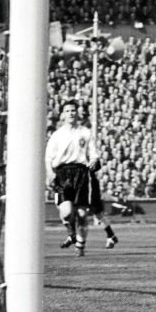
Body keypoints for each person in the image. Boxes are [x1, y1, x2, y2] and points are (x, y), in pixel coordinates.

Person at [45, 99, 118, 256]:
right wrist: (50, 173)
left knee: (82, 214)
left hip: (81, 173)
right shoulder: (57, 135)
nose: (71, 113)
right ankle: (71, 232)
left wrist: (93, 161)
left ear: (77, 113)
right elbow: (48, 158)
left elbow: (93, 154)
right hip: (62, 173)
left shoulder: (85, 132)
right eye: (67, 111)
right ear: (63, 115)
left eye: (73, 110)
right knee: (67, 212)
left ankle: (80, 246)